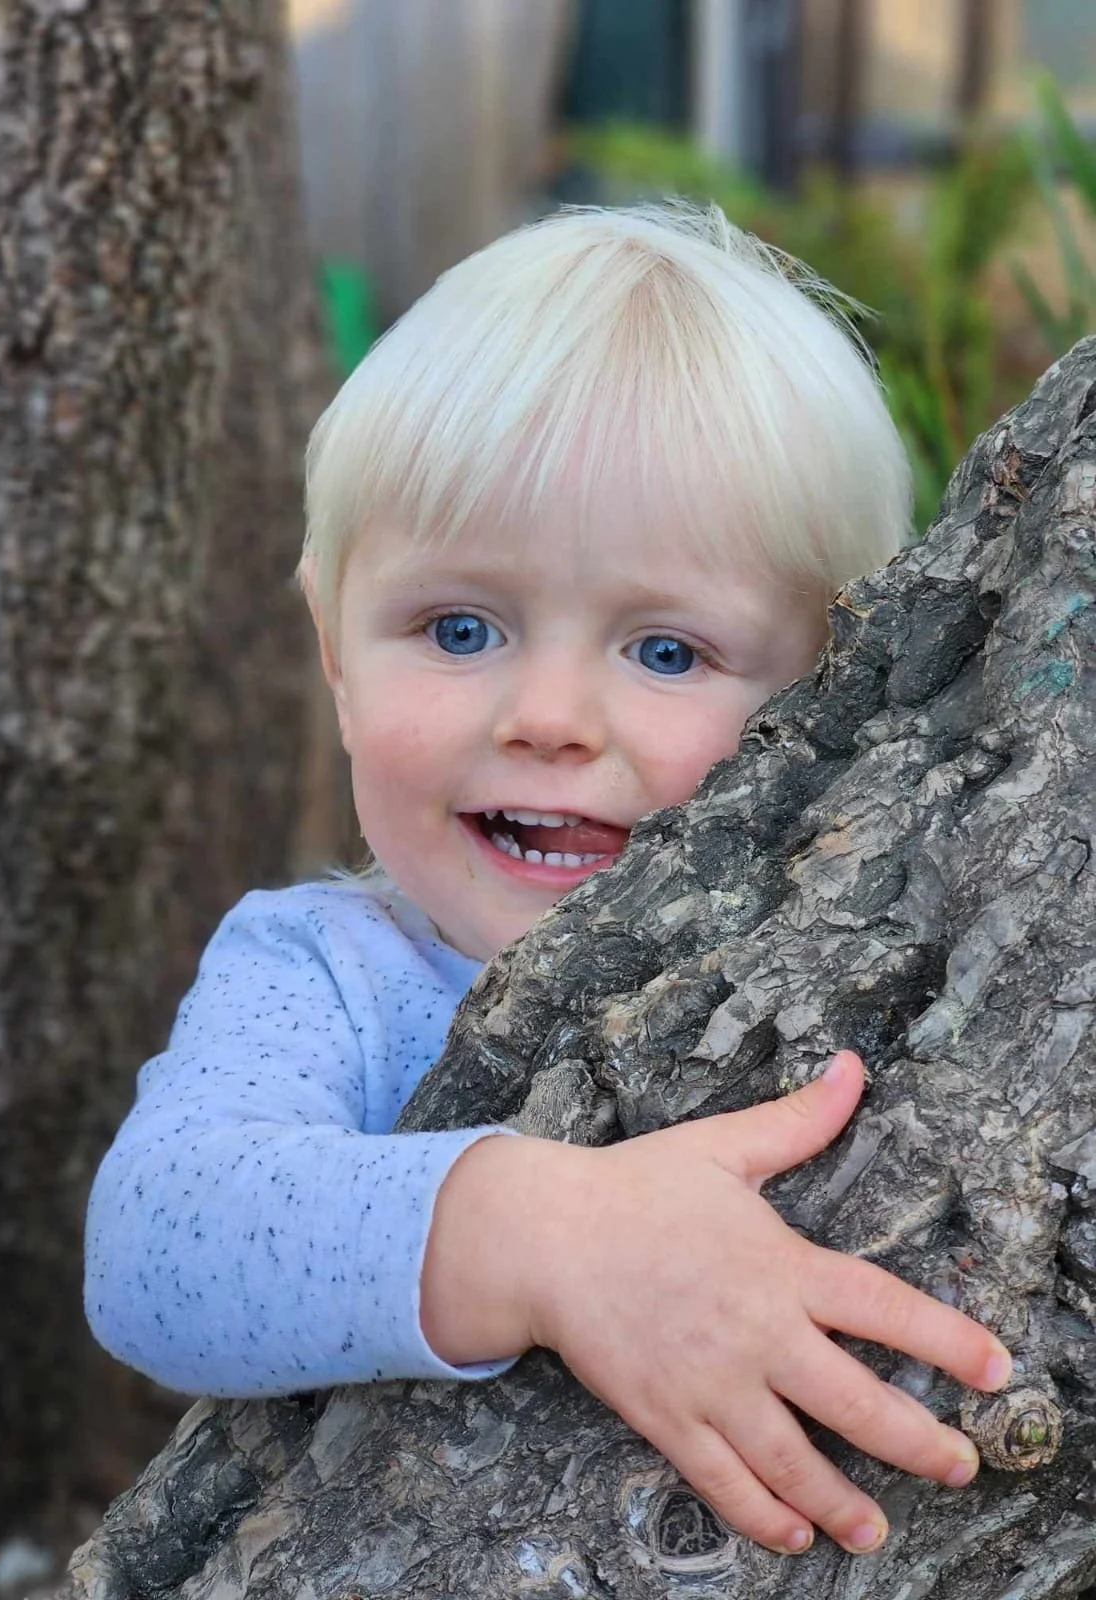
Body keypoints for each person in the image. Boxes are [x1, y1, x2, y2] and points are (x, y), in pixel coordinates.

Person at [85, 203, 1012, 1559]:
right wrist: (544, 1236)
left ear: (838, 696)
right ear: (334, 650)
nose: (551, 715)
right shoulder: (328, 972)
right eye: (460, 627)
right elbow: (154, 1250)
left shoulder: (895, 966)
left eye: (668, 651)